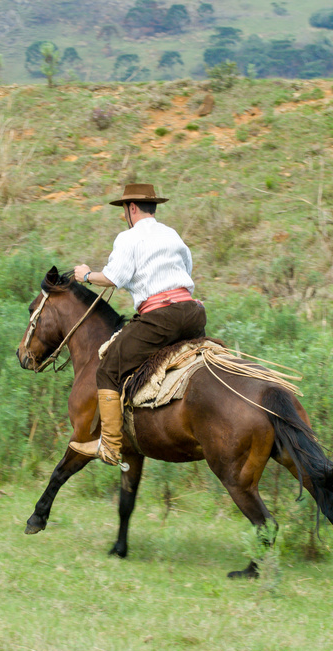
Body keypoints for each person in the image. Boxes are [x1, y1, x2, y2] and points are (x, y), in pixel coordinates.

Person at [73, 183, 206, 466]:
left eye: (124, 210)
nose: (124, 216)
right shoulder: (171, 234)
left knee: (108, 369)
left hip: (161, 318)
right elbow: (186, 269)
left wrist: (86, 276)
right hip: (192, 313)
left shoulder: (128, 237)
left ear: (132, 208)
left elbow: (114, 277)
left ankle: (109, 445)